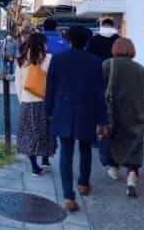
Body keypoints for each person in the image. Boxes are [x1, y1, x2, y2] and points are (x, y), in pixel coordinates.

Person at [45, 26, 108, 212]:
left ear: (69, 39)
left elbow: (51, 89)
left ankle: (68, 196)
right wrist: (102, 118)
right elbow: (99, 93)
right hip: (87, 111)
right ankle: (83, 183)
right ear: (87, 40)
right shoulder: (96, 62)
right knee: (86, 148)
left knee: (65, 153)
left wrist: (48, 111)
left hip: (63, 109)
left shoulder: (58, 60)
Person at [102, 38, 144, 198]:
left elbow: (100, 88)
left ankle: (114, 169)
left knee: (112, 140)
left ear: (115, 49)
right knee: (135, 146)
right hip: (136, 114)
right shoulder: (141, 69)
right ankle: (131, 179)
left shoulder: (108, 64)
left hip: (114, 114)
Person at [15, 33, 56, 176]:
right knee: (47, 133)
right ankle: (45, 159)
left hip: (27, 103)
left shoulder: (21, 60)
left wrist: (22, 100)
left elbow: (18, 84)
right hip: (44, 102)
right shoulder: (49, 59)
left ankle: (34, 166)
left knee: (29, 135)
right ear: (42, 45)